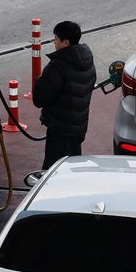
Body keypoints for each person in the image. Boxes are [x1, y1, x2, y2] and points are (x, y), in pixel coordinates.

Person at [32, 20, 97, 170]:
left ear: (65, 42)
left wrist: (40, 81)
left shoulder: (58, 66)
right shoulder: (86, 59)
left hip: (60, 129)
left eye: (56, 39)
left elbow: (39, 98)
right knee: (73, 168)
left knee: (52, 171)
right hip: (79, 127)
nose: (54, 42)